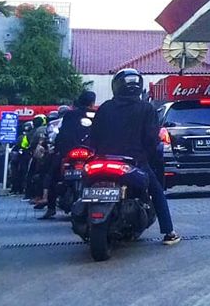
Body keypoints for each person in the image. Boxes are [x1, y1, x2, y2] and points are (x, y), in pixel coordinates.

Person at [90, 69, 179, 245]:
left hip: (103, 159)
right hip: (134, 161)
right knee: (157, 191)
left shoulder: (105, 107)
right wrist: (147, 155)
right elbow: (151, 138)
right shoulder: (146, 108)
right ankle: (169, 232)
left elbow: (94, 135)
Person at [40, 91, 97, 219]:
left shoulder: (69, 115)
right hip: (89, 152)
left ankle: (50, 208)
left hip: (68, 151)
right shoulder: (95, 115)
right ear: (92, 103)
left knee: (52, 175)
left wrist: (58, 149)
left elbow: (62, 134)